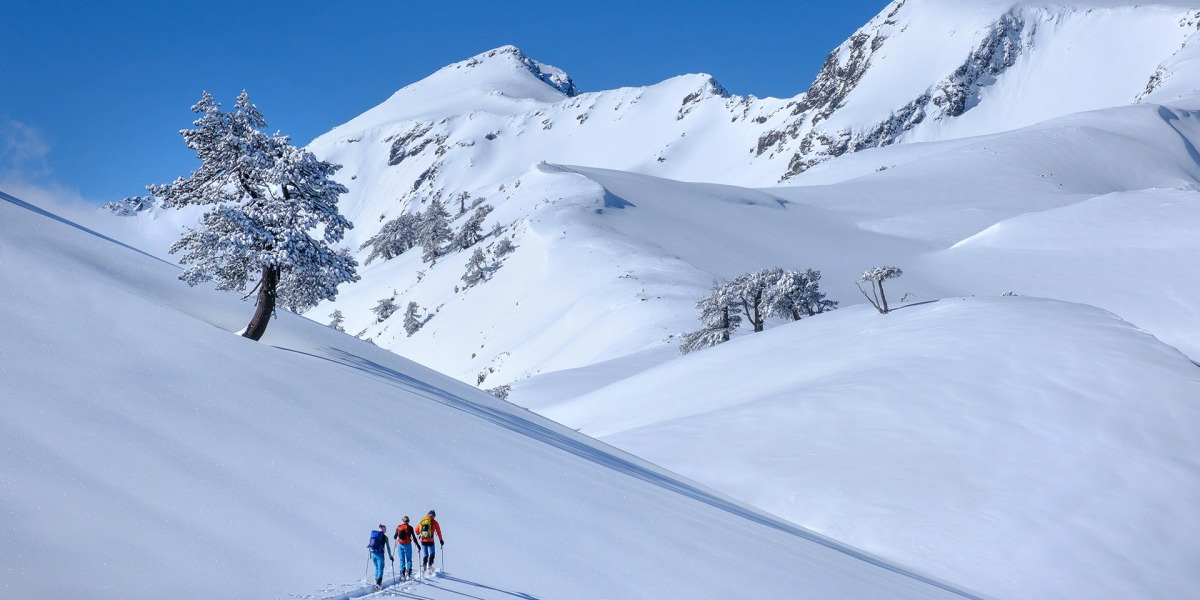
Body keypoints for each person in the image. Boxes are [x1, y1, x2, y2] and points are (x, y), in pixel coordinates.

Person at [416, 510, 444, 575]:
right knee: (432, 553)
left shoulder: (422, 521)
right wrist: (441, 540)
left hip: (423, 540)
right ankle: (430, 565)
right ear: (433, 516)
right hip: (431, 540)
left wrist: (420, 534)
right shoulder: (434, 522)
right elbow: (439, 532)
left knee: (425, 554)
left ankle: (424, 566)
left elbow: (416, 530)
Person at [367, 524, 393, 591]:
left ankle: (376, 581)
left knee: (376, 568)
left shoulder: (374, 535)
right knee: (380, 569)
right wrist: (390, 556)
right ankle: (378, 583)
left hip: (373, 553)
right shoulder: (385, 537)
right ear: (384, 530)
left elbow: (369, 544)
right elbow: (388, 547)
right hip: (380, 554)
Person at [393, 516, 419, 580]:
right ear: (408, 521)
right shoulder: (410, 528)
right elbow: (414, 538)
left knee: (402, 560)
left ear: (403, 521)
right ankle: (408, 573)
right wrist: (418, 545)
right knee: (409, 559)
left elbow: (394, 537)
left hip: (400, 545)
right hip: (408, 545)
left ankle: (402, 573)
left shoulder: (399, 527)